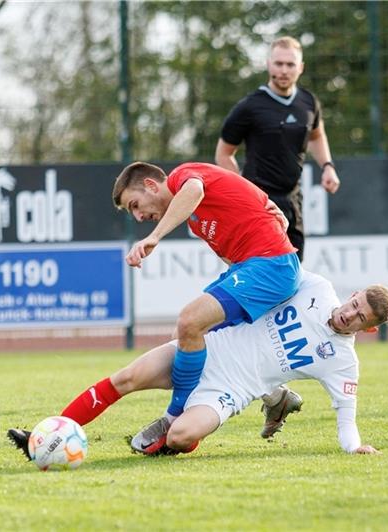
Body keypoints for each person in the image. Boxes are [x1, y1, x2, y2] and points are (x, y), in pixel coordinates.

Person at [8, 271, 388, 457]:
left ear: (368, 330)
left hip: (230, 391)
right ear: (352, 294)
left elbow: (346, 417)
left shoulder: (343, 363)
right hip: (208, 349)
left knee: (179, 438)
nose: (350, 314)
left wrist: (355, 448)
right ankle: (44, 435)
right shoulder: (316, 287)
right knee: (125, 377)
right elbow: (275, 264)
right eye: (355, 304)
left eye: (360, 317)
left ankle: (180, 427)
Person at [111, 161, 302, 453]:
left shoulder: (181, 177)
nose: (138, 216)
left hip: (269, 266)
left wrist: (154, 237)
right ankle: (276, 397)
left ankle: (173, 416)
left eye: (135, 205)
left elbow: (195, 189)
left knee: (190, 323)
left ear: (151, 185)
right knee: (197, 336)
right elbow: (237, 229)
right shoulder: (197, 220)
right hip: (250, 268)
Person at [215, 36, 341, 263]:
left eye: (290, 64)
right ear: (268, 64)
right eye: (279, 64)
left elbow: (317, 134)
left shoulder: (309, 102)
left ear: (300, 68)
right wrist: (242, 194)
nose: (284, 70)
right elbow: (223, 154)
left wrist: (328, 166)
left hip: (293, 200)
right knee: (264, 272)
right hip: (260, 203)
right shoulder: (249, 106)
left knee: (293, 271)